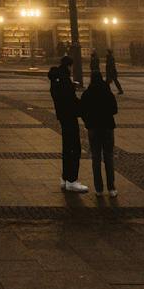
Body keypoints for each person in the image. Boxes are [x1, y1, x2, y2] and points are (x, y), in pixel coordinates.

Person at [80, 60, 118, 197]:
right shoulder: (107, 92)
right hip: (107, 127)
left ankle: (99, 189)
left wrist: (88, 122)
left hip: (93, 129)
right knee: (108, 157)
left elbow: (82, 110)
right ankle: (112, 188)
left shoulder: (87, 93)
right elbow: (115, 109)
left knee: (96, 158)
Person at [49, 54, 86, 190]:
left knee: (66, 148)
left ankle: (65, 178)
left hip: (62, 116)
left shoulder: (55, 79)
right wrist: (83, 108)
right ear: (69, 66)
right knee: (74, 148)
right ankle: (72, 180)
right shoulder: (64, 80)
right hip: (69, 116)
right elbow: (70, 101)